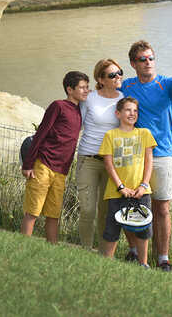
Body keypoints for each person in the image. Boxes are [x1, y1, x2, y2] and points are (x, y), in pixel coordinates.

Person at [121, 40, 172, 271]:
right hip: (134, 156)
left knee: (162, 208)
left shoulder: (166, 84)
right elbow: (106, 94)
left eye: (150, 58)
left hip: (162, 155)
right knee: (131, 203)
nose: (148, 63)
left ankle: (163, 259)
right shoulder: (126, 86)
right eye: (142, 60)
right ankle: (134, 251)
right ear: (133, 64)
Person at [21, 71, 90, 244]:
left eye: (87, 87)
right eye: (82, 87)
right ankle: (22, 246)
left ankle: (52, 248)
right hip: (43, 165)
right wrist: (28, 165)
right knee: (33, 211)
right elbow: (41, 134)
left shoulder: (79, 110)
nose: (86, 91)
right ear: (69, 89)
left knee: (54, 214)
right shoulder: (58, 106)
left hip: (61, 171)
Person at [98, 97, 156, 267]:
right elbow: (108, 163)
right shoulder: (110, 135)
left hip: (141, 191)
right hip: (116, 191)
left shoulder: (144, 133)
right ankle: (107, 262)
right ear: (118, 113)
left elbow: (149, 161)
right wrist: (121, 187)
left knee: (143, 228)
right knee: (112, 227)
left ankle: (143, 263)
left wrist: (143, 185)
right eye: (128, 110)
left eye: (135, 111)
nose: (132, 113)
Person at [75, 59, 124, 250]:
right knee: (88, 209)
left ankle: (104, 255)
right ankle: (86, 250)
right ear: (100, 79)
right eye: (112, 75)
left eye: (119, 72)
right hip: (88, 159)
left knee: (106, 212)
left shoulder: (123, 98)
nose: (118, 77)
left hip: (113, 163)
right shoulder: (90, 98)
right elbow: (76, 125)